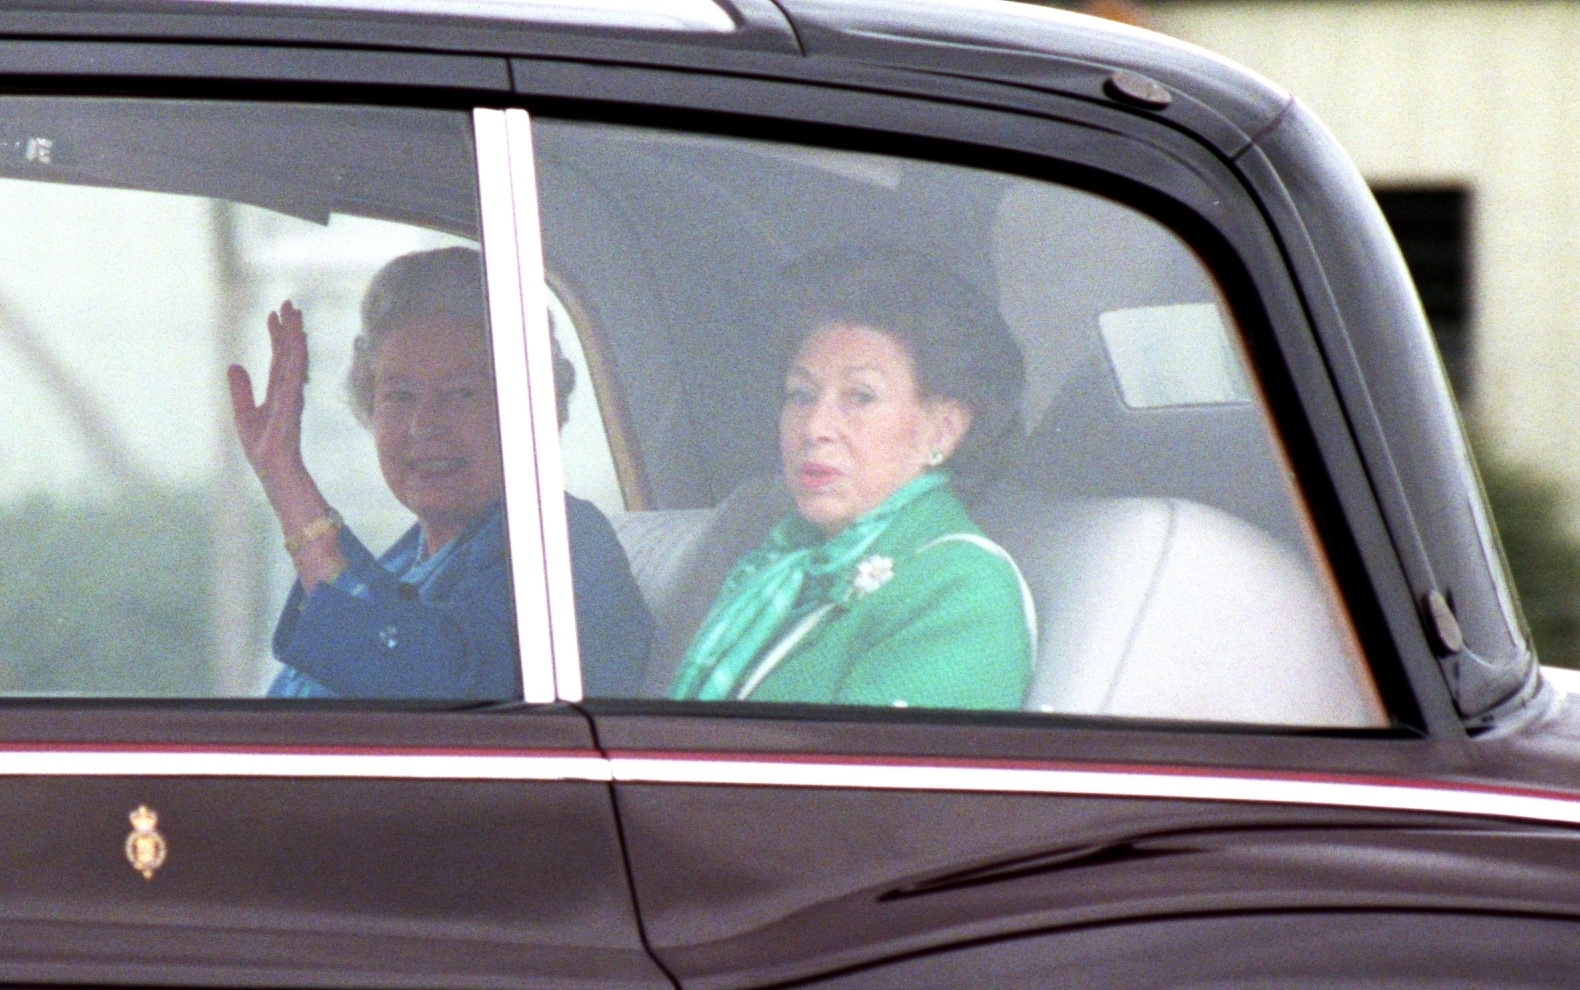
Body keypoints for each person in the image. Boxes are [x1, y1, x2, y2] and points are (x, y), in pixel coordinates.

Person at [229, 246, 648, 699]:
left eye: (461, 393)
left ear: (533, 409)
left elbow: (421, 688)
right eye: (400, 395)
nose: (425, 425)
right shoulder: (406, 560)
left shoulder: (559, 550)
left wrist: (291, 489)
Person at [667, 246, 1036, 709]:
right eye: (801, 394)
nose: (815, 428)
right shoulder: (782, 559)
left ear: (942, 430)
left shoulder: (962, 589)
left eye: (860, 397)